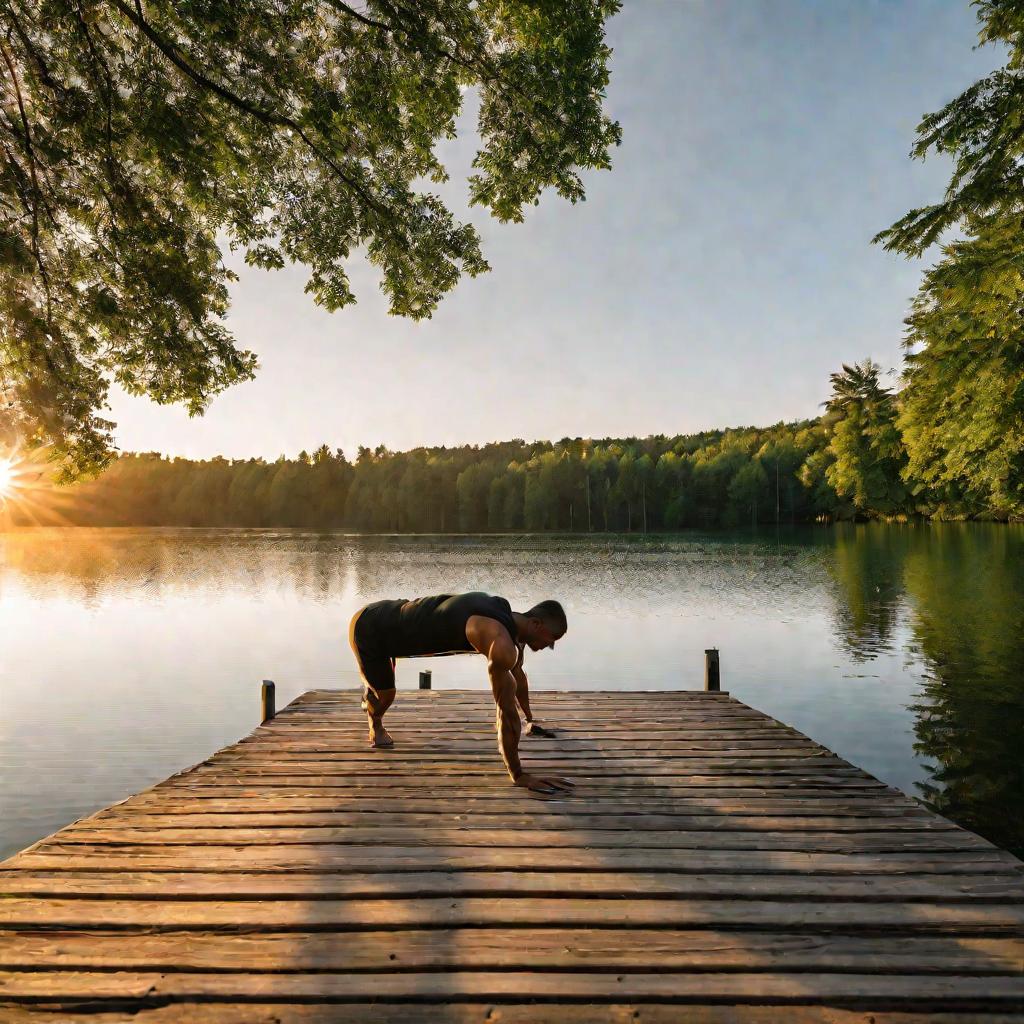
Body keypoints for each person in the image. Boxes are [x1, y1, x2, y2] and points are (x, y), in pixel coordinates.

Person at [348, 592, 573, 794]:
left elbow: (519, 677)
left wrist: (530, 719)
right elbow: (505, 711)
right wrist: (519, 775)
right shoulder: (500, 641)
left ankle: (375, 686)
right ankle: (373, 717)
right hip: (371, 627)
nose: (551, 645)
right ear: (535, 623)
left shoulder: (509, 622)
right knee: (386, 696)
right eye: (553, 638)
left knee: (386, 687)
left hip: (389, 617)